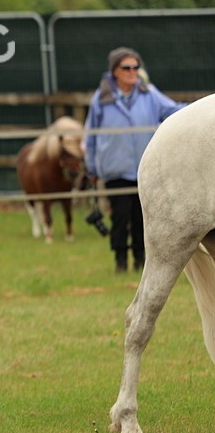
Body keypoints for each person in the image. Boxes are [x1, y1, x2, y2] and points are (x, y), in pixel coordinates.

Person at [83, 47, 186, 273]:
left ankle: (141, 262)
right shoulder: (101, 99)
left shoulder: (149, 93)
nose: (132, 71)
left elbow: (172, 110)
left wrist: (197, 111)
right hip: (115, 170)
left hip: (145, 169)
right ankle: (120, 262)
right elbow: (90, 135)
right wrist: (91, 166)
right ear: (114, 71)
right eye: (126, 67)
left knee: (143, 220)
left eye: (135, 67)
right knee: (119, 218)